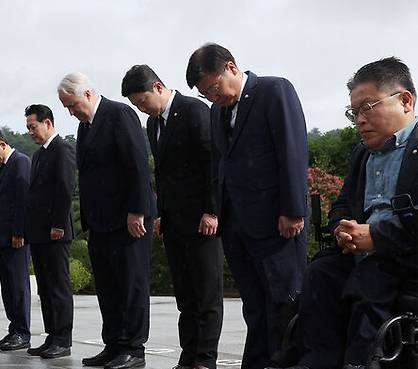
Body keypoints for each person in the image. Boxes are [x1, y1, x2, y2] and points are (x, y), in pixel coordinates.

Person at [267, 57, 418, 369]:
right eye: (354, 112)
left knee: (371, 281)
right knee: (319, 275)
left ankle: (360, 363)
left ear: (405, 100)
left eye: (368, 106)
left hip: (404, 253)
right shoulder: (363, 154)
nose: (359, 120)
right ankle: (315, 361)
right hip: (360, 253)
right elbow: (343, 204)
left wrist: (375, 236)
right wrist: (343, 229)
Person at [185, 43, 309, 369]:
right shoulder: (217, 111)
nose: (213, 97)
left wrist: (293, 208)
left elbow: (292, 150)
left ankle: (287, 362)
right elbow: (220, 165)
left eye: (213, 87)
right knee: (254, 303)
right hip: (237, 222)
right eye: (205, 94)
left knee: (284, 300)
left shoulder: (273, 90)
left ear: (231, 66)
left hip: (275, 219)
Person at [122, 64, 224, 369]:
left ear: (157, 87)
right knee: (186, 296)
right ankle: (188, 354)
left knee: (206, 294)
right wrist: (161, 213)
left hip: (202, 220)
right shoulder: (154, 124)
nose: (141, 109)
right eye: (135, 106)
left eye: (141, 102)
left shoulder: (194, 110)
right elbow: (163, 174)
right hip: (175, 221)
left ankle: (205, 359)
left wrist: (212, 210)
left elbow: (212, 163)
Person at [58, 72, 155, 369]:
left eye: (72, 104)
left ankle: (133, 348)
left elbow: (137, 165)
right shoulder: (85, 127)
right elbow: (87, 177)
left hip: (128, 219)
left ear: (87, 94)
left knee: (131, 284)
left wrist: (137, 210)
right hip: (100, 223)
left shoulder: (119, 114)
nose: (70, 111)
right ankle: (113, 343)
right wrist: (86, 221)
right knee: (108, 287)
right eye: (66, 108)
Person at [23, 104, 76, 359]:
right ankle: (52, 336)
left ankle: (63, 339)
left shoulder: (62, 148)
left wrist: (57, 224)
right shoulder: (39, 154)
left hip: (55, 231)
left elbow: (65, 189)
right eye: (28, 128)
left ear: (48, 123)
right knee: (44, 287)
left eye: (33, 127)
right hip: (38, 232)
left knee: (58, 286)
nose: (31, 132)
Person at [0, 128, 32, 351]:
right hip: (2, 239)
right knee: (9, 287)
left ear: (2, 144)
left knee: (18, 286)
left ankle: (22, 332)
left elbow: (22, 199)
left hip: (15, 239)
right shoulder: (4, 167)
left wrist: (19, 232)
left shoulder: (20, 162)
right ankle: (15, 329)